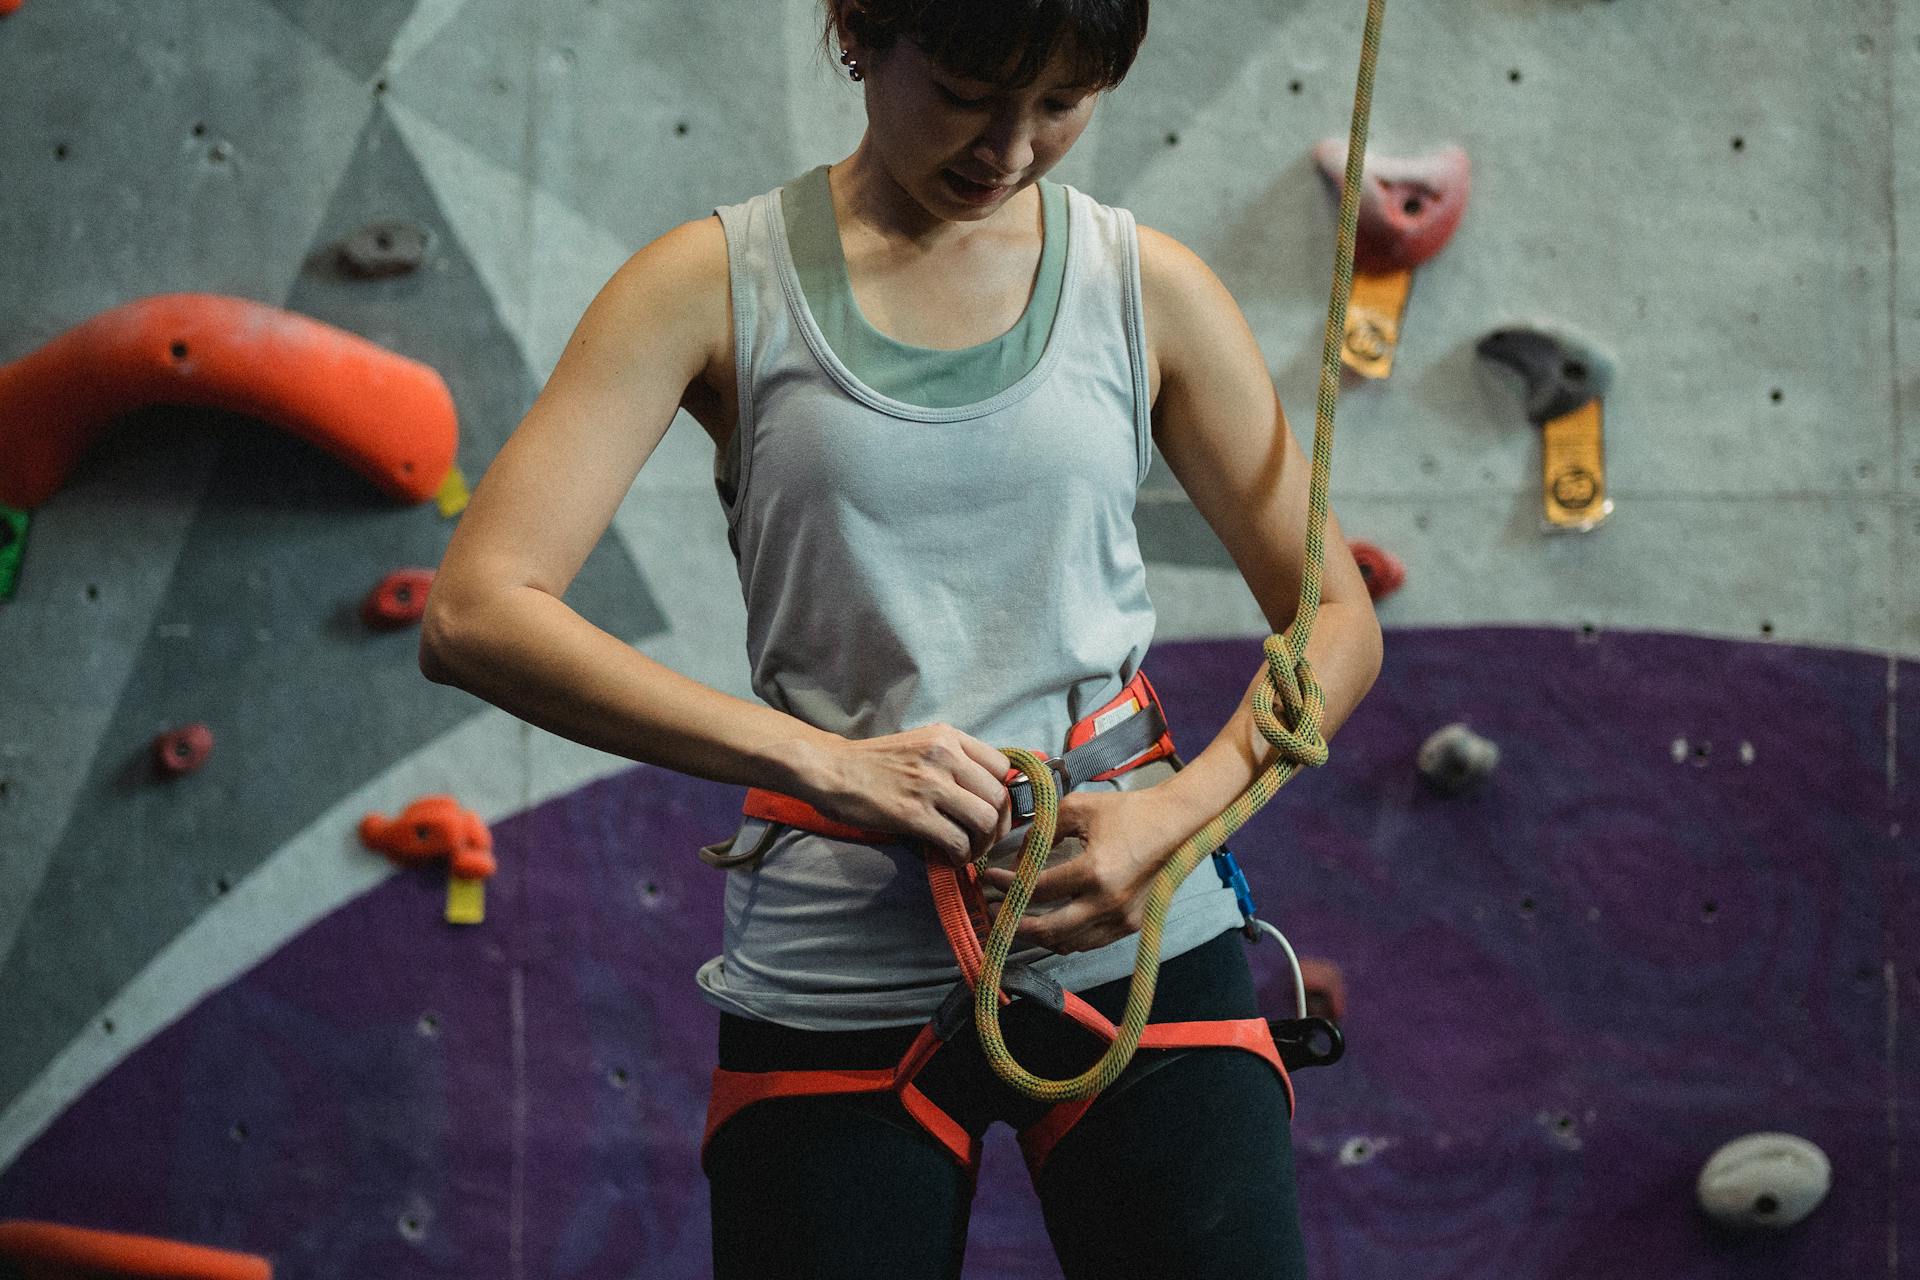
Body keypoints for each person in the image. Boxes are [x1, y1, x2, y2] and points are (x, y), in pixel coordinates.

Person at [421, 0, 1384, 1275]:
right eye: (973, 90)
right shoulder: (714, 283)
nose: (1013, 146)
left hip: (1133, 924)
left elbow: (1336, 616)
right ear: (860, 32)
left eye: (1061, 103)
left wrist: (1176, 819)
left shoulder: (1141, 288)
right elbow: (477, 610)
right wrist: (828, 762)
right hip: (832, 959)